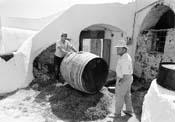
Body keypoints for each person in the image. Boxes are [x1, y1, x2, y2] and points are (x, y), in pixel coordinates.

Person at [114, 39, 133, 118]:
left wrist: (119, 82)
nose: (117, 49)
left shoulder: (125, 59)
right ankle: (129, 111)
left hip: (124, 79)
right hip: (128, 78)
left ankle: (117, 114)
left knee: (119, 96)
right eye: (117, 48)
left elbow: (125, 75)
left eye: (119, 48)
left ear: (124, 49)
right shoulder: (125, 56)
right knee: (127, 95)